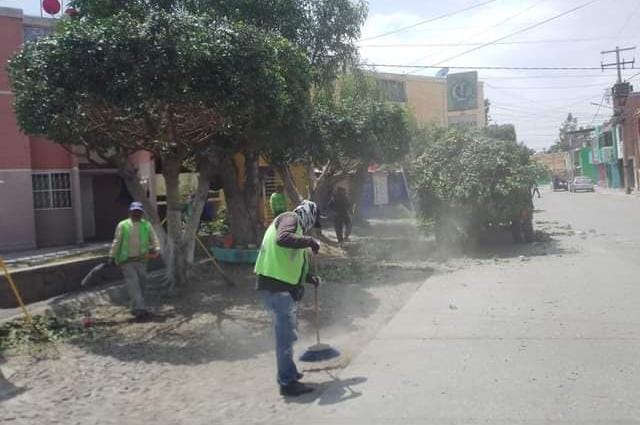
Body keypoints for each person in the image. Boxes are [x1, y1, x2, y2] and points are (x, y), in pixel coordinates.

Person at [255, 200, 321, 397]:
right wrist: (309, 241)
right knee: (285, 337)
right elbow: (282, 239)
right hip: (276, 288)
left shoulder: (296, 230)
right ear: (308, 214)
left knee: (288, 334)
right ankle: (287, 383)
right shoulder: (289, 218)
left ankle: (290, 373)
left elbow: (292, 260)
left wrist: (309, 278)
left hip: (279, 287)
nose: (311, 226)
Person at [108, 201, 161, 321]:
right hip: (126, 260)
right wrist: (111, 256)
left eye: (138, 211)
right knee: (134, 284)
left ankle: (134, 307)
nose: (136, 213)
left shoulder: (146, 225)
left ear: (142, 213)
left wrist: (157, 248)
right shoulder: (123, 225)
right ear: (130, 212)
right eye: (134, 211)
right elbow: (117, 241)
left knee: (142, 284)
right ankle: (141, 310)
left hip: (142, 259)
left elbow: (154, 238)